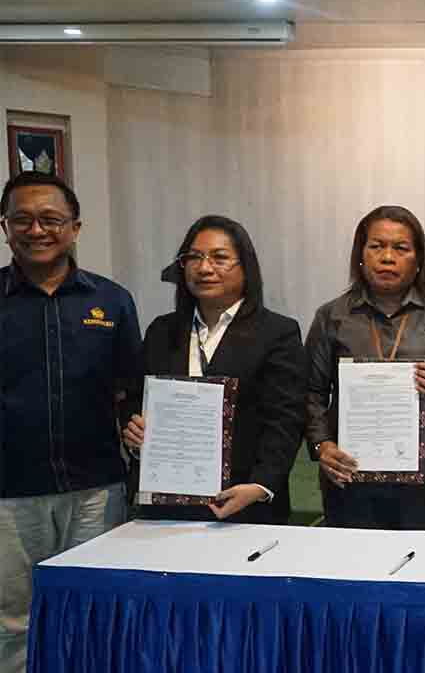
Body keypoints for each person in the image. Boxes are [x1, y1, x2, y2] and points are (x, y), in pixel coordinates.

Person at [0, 171, 142, 673]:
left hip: (95, 486)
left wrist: (142, 425)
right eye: (23, 219)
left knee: (91, 610)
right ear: (5, 228)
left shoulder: (111, 301)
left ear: (75, 227)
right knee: (12, 618)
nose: (38, 230)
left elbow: (134, 390)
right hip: (9, 489)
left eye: (51, 219)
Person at [121, 216, 307, 523]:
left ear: (246, 267)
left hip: (245, 502)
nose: (204, 268)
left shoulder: (277, 332)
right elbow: (134, 399)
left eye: (219, 258)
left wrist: (261, 485)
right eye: (194, 257)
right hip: (166, 502)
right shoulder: (162, 331)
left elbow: (286, 419)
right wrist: (135, 432)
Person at [305, 205, 425, 530]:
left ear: (419, 259)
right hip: (352, 476)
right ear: (360, 255)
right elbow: (310, 392)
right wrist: (321, 445)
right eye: (376, 246)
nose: (387, 257)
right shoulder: (332, 316)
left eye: (400, 248)